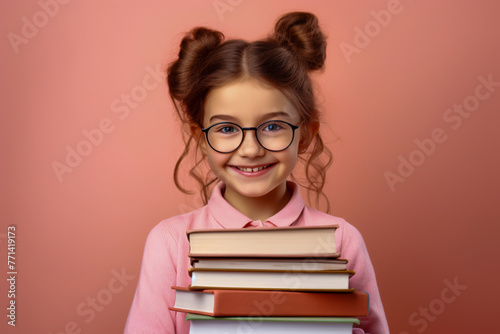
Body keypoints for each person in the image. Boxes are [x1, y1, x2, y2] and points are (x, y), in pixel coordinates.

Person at [124, 11, 389, 334]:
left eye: (273, 126)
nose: (250, 149)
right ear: (201, 137)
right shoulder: (170, 244)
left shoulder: (342, 240)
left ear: (304, 134)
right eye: (226, 128)